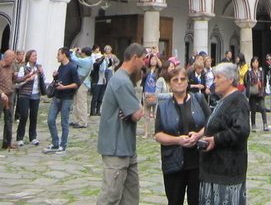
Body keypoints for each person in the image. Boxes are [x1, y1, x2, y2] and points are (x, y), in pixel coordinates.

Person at [97, 42, 149, 205]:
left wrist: (135, 108)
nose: (144, 64)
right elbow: (136, 115)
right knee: (110, 196)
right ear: (134, 57)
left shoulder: (124, 79)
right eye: (143, 59)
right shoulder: (121, 81)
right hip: (116, 148)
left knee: (130, 197)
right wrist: (140, 106)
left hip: (126, 147)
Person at [154, 65, 211, 205]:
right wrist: (177, 140)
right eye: (175, 79)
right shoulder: (163, 106)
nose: (179, 82)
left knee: (197, 201)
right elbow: (158, 134)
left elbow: (211, 124)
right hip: (173, 162)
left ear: (187, 82)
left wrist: (198, 135)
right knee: (174, 201)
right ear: (169, 83)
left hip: (197, 162)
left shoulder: (198, 99)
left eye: (182, 79)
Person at [198, 62, 250, 205]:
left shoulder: (238, 100)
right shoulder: (223, 100)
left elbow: (241, 130)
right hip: (214, 170)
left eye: (218, 77)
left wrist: (216, 140)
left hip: (227, 171)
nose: (214, 81)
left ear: (230, 79)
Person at [45, 47, 80, 153]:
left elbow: (76, 84)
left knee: (64, 122)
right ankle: (55, 142)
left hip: (67, 98)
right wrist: (55, 77)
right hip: (57, 96)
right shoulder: (61, 67)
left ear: (64, 54)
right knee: (50, 120)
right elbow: (58, 81)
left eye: (58, 54)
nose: (57, 56)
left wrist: (64, 87)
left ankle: (63, 145)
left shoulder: (72, 67)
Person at [0, 48, 22, 152]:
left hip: (10, 95)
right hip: (0, 97)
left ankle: (7, 142)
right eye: (12, 59)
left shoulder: (11, 67)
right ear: (7, 58)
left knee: (9, 120)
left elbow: (13, 80)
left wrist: (21, 77)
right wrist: (1, 93)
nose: (13, 61)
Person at [16, 48, 46, 147]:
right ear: (29, 57)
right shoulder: (23, 68)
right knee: (24, 115)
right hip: (25, 94)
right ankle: (20, 137)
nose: (35, 57)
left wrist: (41, 73)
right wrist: (28, 79)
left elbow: (43, 79)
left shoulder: (39, 67)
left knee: (34, 116)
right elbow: (19, 82)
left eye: (36, 55)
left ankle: (33, 137)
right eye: (33, 56)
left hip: (35, 94)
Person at [70, 46, 94, 128]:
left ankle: (83, 122)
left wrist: (73, 52)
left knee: (81, 103)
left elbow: (75, 59)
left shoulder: (86, 61)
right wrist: (79, 53)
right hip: (80, 82)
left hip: (83, 83)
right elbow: (80, 59)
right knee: (76, 102)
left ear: (84, 53)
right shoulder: (89, 59)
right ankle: (75, 120)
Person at [244, 57, 268, 131]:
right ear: (251, 63)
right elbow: (245, 81)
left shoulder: (261, 71)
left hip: (260, 92)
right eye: (254, 62)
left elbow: (265, 80)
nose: (255, 64)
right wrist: (250, 88)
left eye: (257, 62)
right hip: (253, 93)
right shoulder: (249, 72)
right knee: (253, 109)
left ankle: (265, 124)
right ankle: (253, 124)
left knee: (263, 108)